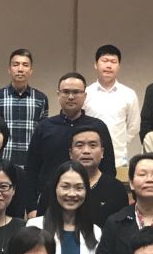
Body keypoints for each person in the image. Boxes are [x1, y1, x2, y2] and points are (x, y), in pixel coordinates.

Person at [23, 71, 115, 212]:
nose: (71, 97)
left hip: (91, 200)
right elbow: (31, 169)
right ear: (58, 94)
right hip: (50, 201)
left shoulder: (98, 127)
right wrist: (31, 208)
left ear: (85, 96)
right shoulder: (44, 127)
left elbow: (108, 167)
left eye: (76, 92)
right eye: (66, 92)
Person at [0, 49, 48, 167]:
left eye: (25, 65)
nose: (20, 69)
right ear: (9, 69)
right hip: (2, 162)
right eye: (16, 64)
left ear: (31, 70)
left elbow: (42, 134)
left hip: (31, 163)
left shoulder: (41, 99)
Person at [83, 43, 140, 167]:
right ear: (95, 64)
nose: (109, 65)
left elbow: (134, 126)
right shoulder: (86, 93)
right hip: (89, 158)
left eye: (113, 62)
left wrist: (121, 142)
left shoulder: (128, 94)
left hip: (118, 159)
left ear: (119, 66)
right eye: (105, 61)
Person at [71, 127, 130, 233]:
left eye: (93, 145)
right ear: (70, 153)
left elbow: (123, 231)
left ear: (102, 152)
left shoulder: (116, 189)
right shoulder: (57, 186)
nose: (86, 151)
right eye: (79, 145)